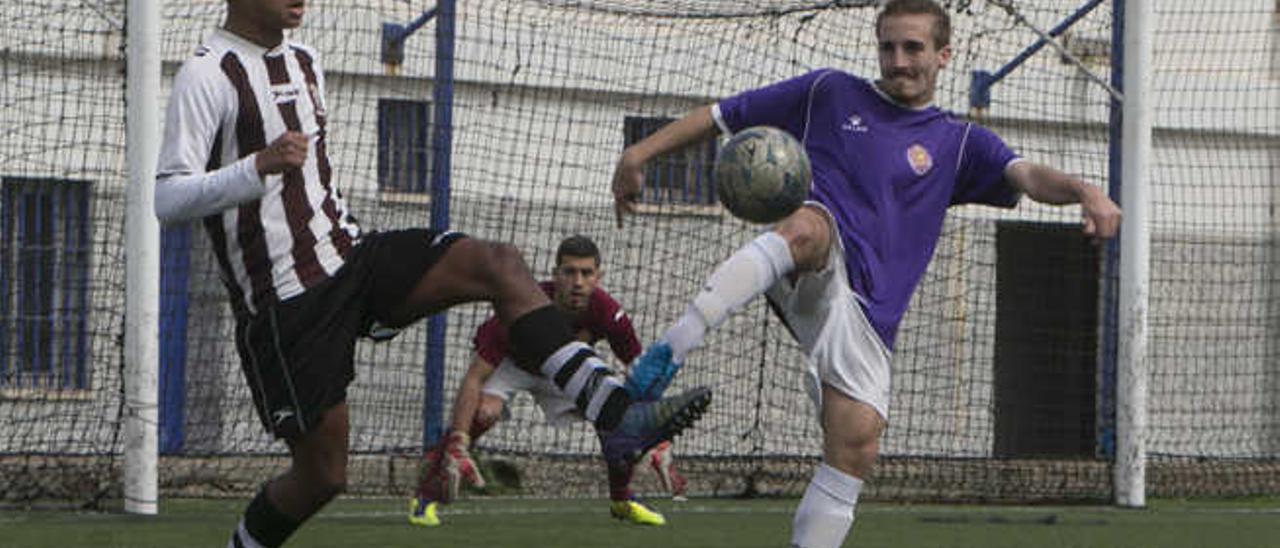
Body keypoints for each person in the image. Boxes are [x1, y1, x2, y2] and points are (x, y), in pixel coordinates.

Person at [153, 1, 709, 546]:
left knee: (500, 264)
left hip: (353, 258)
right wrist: (258, 165)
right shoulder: (207, 74)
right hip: (289, 301)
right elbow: (168, 198)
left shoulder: (305, 60)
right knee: (324, 476)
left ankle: (615, 414)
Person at [610, 1, 1122, 546]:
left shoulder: (959, 142)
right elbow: (721, 116)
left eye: (913, 48)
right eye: (888, 47)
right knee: (807, 228)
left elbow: (1026, 175)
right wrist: (637, 154)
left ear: (943, 55)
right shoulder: (829, 93)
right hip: (813, 255)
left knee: (855, 445)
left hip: (870, 315)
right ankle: (664, 359)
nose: (898, 61)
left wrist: (1084, 192)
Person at [409, 235, 688, 528]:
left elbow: (638, 374)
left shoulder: (608, 313)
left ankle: (622, 500)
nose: (578, 282)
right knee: (483, 413)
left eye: (586, 273)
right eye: (569, 272)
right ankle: (425, 496)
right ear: (555, 276)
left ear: (598, 277)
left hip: (562, 372)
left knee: (614, 412)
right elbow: (474, 378)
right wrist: (458, 441)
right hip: (515, 365)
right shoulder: (519, 305)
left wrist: (656, 436)